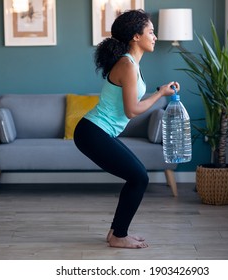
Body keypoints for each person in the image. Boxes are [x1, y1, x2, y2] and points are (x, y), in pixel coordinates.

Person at [73, 9, 180, 249]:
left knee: (137, 176)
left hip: (97, 131)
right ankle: (119, 235)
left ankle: (115, 234)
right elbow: (132, 110)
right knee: (139, 177)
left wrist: (161, 91)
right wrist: (160, 93)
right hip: (92, 132)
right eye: (151, 32)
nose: (155, 36)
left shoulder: (130, 64)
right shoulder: (127, 65)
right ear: (135, 36)